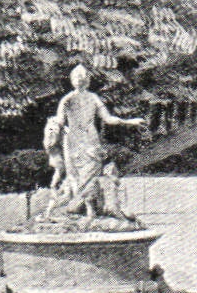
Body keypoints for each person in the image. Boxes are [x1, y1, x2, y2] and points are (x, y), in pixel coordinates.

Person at [45, 65, 146, 220]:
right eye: (77, 76)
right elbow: (59, 121)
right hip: (74, 142)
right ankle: (80, 207)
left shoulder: (93, 98)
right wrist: (53, 131)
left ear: (88, 80)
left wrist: (130, 122)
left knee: (92, 172)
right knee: (76, 176)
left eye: (84, 76)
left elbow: (108, 118)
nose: (81, 78)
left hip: (91, 140)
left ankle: (90, 208)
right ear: (72, 80)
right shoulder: (67, 99)